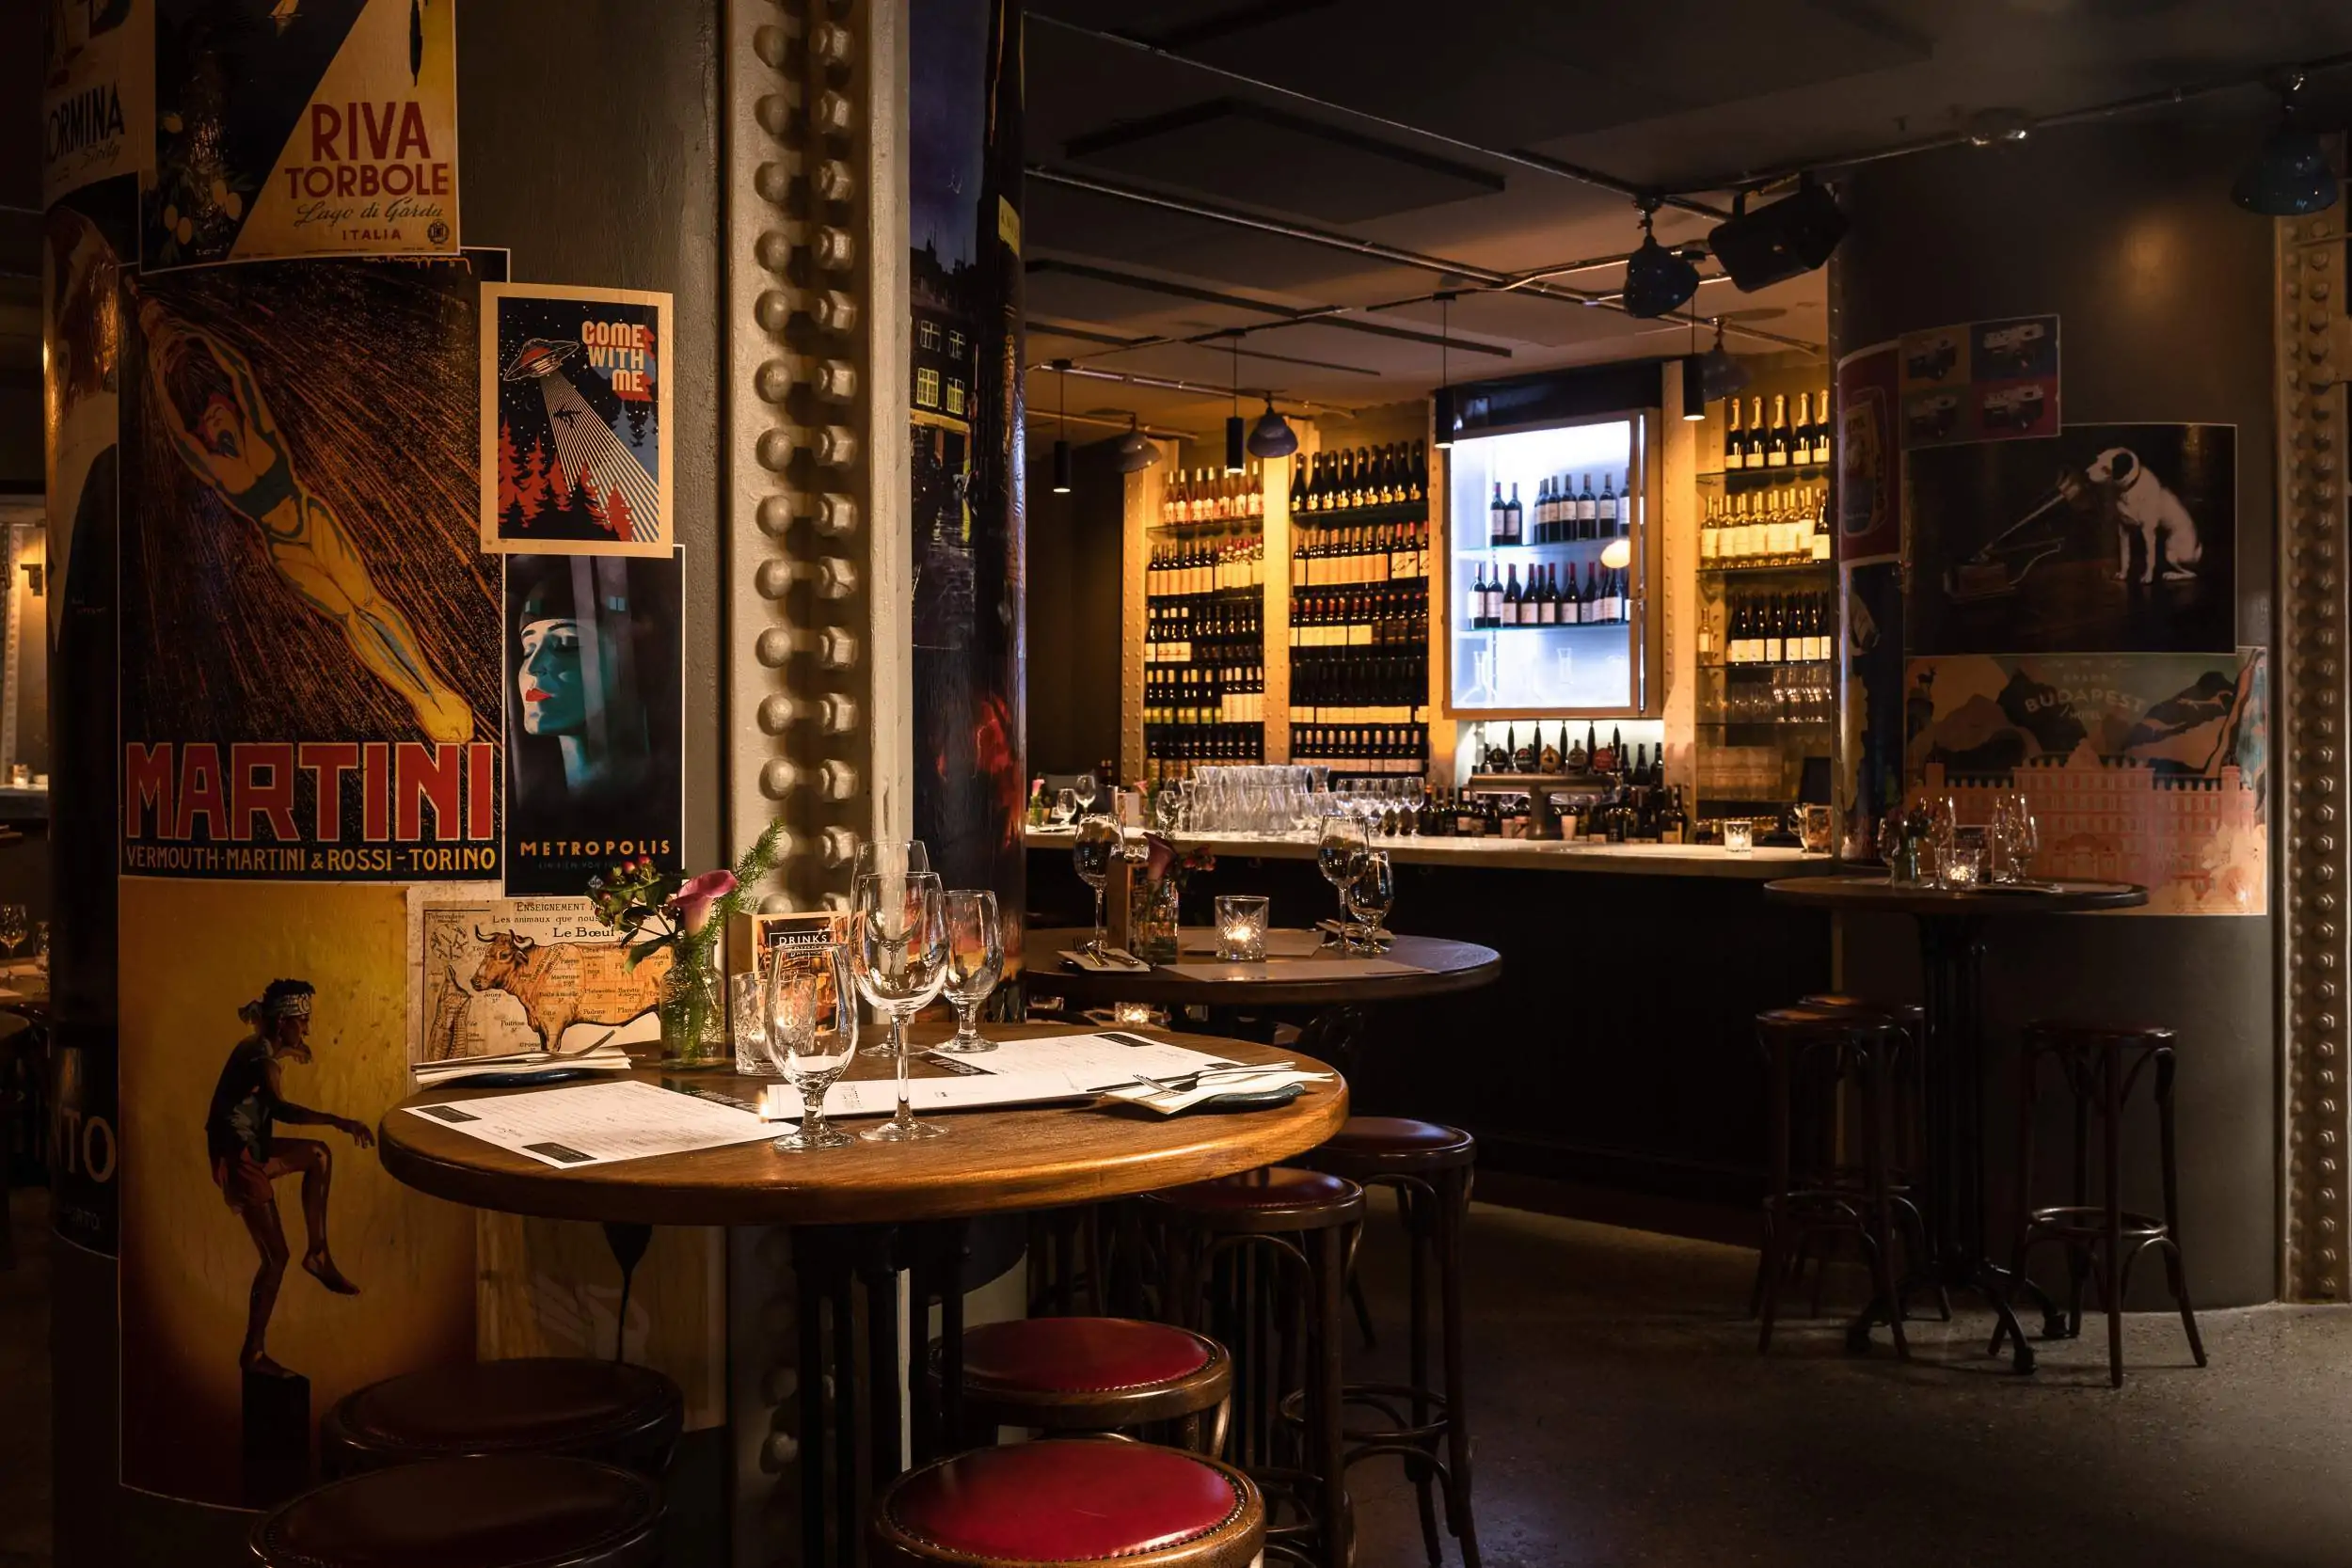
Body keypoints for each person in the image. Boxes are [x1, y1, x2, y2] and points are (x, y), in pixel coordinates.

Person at [138, 297, 474, 744]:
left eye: (217, 406)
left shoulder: (260, 433)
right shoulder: (219, 470)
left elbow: (239, 373)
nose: (214, 413)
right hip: (285, 547)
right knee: (350, 619)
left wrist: (199, 337)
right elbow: (180, 438)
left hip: (312, 519)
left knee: (367, 602)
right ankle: (418, 697)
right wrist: (157, 373)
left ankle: (434, 688)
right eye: (207, 417)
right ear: (205, 430)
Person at [204, 978, 374, 1377]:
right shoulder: (257, 1054)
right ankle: (254, 1353)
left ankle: (317, 1254)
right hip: (239, 1157)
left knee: (317, 1156)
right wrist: (339, 1120)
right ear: (282, 1023)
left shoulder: (265, 1048)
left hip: (253, 1149)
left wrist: (294, 1048)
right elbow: (280, 1108)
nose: (308, 1029)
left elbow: (279, 1065)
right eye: (302, 1022)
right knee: (275, 1257)